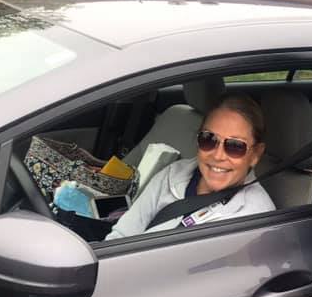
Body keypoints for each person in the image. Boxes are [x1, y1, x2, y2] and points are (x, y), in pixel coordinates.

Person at [105, 92, 274, 238]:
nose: (218, 155)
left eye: (235, 146)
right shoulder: (172, 174)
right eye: (208, 139)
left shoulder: (254, 220)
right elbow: (122, 235)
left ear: (255, 154)